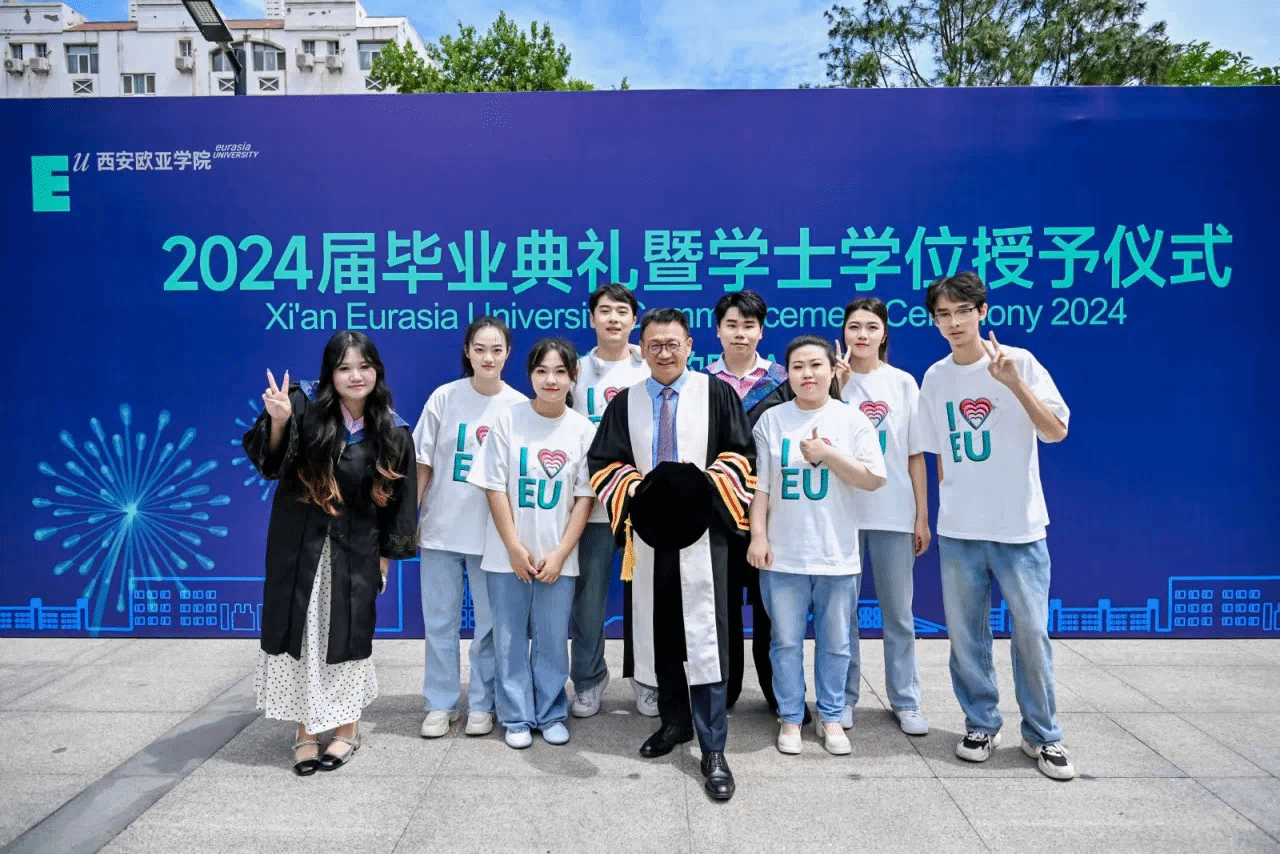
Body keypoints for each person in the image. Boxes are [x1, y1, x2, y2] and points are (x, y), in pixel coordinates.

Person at [587, 307, 755, 802]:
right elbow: (604, 461)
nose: (664, 353)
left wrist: (693, 487)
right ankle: (674, 723)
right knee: (661, 634)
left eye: (673, 344)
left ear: (689, 346)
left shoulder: (716, 394)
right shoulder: (627, 402)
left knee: (706, 640)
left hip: (704, 535)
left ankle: (713, 746)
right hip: (649, 535)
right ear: (642, 348)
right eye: (655, 345)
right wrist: (641, 490)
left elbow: (741, 455)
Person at [916, 272, 1075, 781]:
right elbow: (936, 450)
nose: (954, 322)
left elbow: (1056, 431)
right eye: (943, 314)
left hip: (1018, 528)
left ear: (982, 311)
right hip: (960, 530)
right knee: (966, 637)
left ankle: (1043, 735)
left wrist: (1013, 384)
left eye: (963, 311)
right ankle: (981, 724)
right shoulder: (935, 376)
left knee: (1031, 633)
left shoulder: (1018, 361)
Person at [243, 330, 417, 775]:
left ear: (377, 371)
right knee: (304, 637)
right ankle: (305, 731)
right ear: (330, 374)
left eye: (364, 366)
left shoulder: (393, 430)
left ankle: (347, 729)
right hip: (300, 549)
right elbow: (269, 465)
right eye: (344, 368)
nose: (355, 376)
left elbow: (400, 503)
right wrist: (279, 421)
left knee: (348, 638)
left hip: (355, 554)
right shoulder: (302, 407)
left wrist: (385, 557)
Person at [748, 335, 886, 756]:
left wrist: (827, 453)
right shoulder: (771, 421)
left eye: (815, 366)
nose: (807, 374)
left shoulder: (851, 420)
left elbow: (873, 479)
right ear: (787, 374)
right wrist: (758, 536)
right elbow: (761, 487)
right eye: (797, 367)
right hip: (783, 555)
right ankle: (790, 717)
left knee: (836, 644)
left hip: (836, 554)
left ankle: (831, 716)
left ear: (832, 370)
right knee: (784, 643)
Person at [469, 338, 596, 749]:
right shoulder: (509, 420)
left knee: (553, 639)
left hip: (558, 558)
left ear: (573, 376)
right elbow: (494, 487)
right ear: (530, 375)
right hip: (508, 557)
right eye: (542, 371)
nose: (550, 380)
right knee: (508, 638)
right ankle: (516, 716)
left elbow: (584, 498)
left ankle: (552, 712)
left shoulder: (583, 430)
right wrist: (512, 547)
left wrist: (560, 554)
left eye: (560, 371)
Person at [412, 317, 528, 739]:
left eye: (496, 350)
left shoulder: (518, 406)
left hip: (493, 537)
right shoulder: (444, 397)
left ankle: (482, 701)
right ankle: (440, 703)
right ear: (467, 352)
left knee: (490, 626)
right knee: (439, 622)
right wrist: (409, 519)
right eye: (480, 349)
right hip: (441, 530)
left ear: (508, 353)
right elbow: (422, 462)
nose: (488, 358)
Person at [834, 297, 931, 737]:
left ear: (884, 333)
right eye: (854, 326)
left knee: (899, 615)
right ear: (843, 332)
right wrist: (836, 390)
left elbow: (915, 455)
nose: (862, 335)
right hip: (844, 514)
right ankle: (843, 697)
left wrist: (921, 517)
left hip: (894, 513)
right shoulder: (832, 381)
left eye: (871, 327)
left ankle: (906, 701)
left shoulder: (903, 383)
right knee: (842, 615)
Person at [705, 290, 794, 715]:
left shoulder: (784, 381)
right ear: (718, 330)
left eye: (749, 325)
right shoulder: (701, 381)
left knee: (770, 607)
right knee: (720, 607)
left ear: (761, 330)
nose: (740, 333)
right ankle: (724, 690)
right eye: (732, 325)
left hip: (772, 512)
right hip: (717, 512)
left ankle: (779, 692)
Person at [570, 283, 653, 719]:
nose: (614, 318)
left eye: (622, 311)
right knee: (588, 601)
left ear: (634, 320)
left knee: (646, 599)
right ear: (592, 319)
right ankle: (588, 679)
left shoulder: (650, 368)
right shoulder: (574, 370)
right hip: (591, 506)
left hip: (641, 505)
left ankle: (648, 680)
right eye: (605, 311)